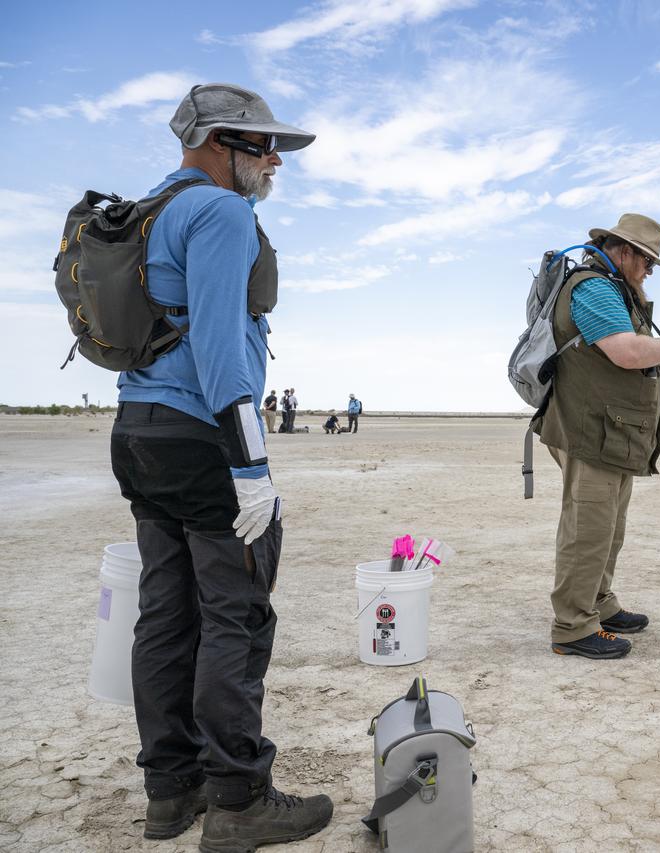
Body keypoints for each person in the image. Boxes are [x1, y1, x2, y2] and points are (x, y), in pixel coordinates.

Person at [109, 83, 332, 848]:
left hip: (137, 432)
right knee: (235, 615)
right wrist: (251, 468)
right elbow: (217, 343)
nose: (274, 160)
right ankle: (239, 798)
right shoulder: (221, 212)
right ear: (216, 143)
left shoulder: (151, 208)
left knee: (167, 614)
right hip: (202, 437)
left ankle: (171, 792)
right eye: (262, 145)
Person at [532, 214, 660, 659]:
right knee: (587, 530)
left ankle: (599, 604)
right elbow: (626, 352)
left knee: (608, 527)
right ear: (624, 251)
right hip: (589, 431)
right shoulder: (594, 288)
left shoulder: (614, 288)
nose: (649, 272)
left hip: (609, 431)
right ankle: (573, 627)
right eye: (647, 262)